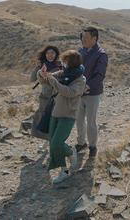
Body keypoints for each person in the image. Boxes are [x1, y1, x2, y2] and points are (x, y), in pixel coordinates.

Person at [37, 50, 86, 183]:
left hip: (68, 115)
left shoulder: (81, 79)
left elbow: (69, 92)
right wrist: (42, 74)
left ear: (73, 63)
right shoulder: (62, 74)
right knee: (53, 146)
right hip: (55, 112)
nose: (64, 64)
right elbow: (47, 80)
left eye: (66, 61)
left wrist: (53, 81)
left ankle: (70, 151)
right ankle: (64, 171)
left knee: (57, 143)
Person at [75, 27, 108, 158]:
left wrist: (87, 86)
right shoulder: (80, 51)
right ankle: (81, 142)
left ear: (94, 39)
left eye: (86, 38)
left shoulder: (101, 54)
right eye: (82, 37)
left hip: (92, 93)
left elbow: (100, 75)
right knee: (78, 120)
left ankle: (92, 146)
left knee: (91, 121)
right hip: (78, 93)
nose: (83, 40)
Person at [30, 45, 61, 147]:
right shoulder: (42, 65)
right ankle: (47, 140)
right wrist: (36, 67)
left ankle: (51, 142)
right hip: (44, 97)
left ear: (56, 54)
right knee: (42, 118)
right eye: (48, 53)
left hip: (56, 97)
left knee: (54, 120)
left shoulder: (60, 65)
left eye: (52, 53)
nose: (50, 55)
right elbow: (32, 79)